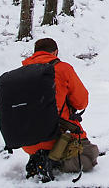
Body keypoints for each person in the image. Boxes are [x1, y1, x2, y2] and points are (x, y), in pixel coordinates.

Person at [22, 38, 99, 177]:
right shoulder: (62, 69)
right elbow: (81, 102)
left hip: (27, 139)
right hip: (59, 135)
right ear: (55, 52)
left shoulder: (22, 72)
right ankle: (55, 162)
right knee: (90, 154)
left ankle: (39, 157)